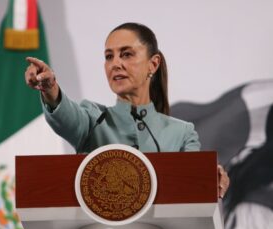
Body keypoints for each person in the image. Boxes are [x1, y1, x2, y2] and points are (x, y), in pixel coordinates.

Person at [24, 22, 229, 198]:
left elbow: (195, 185)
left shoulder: (182, 134)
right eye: (109, 56)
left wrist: (211, 178)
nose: (116, 64)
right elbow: (65, 116)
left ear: (153, 64)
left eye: (127, 54)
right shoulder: (92, 119)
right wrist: (50, 87)